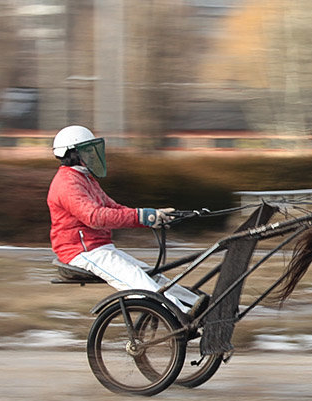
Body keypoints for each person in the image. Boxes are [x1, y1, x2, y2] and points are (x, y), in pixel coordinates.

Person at [47, 124, 201, 314]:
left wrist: (151, 215)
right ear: (72, 154)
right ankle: (184, 315)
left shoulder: (85, 179)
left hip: (99, 248)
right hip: (82, 252)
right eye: (87, 151)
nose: (93, 155)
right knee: (138, 281)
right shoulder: (67, 183)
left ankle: (198, 305)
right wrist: (143, 217)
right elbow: (95, 217)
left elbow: (114, 208)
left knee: (153, 276)